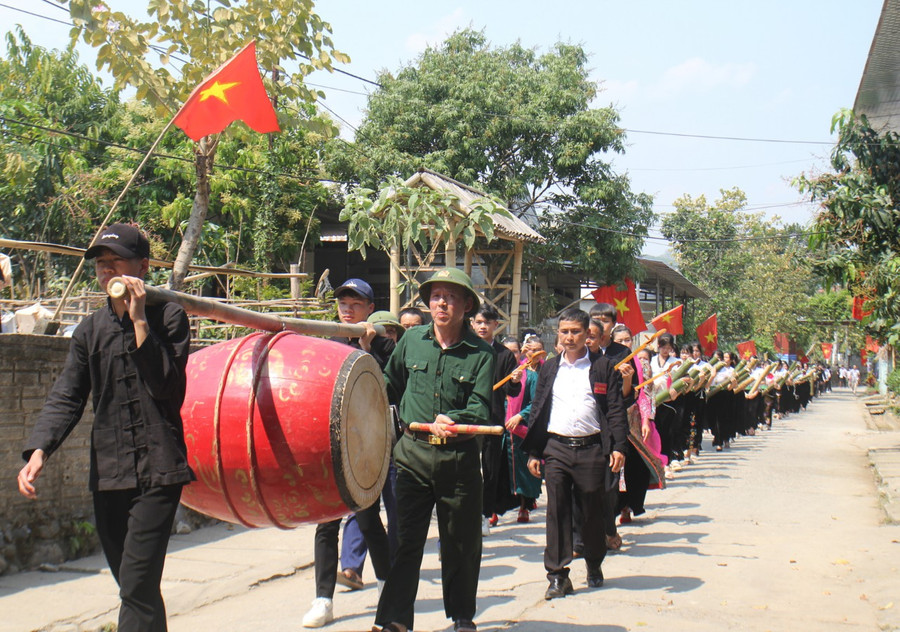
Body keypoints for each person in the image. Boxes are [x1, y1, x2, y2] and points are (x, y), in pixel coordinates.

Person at [18, 223, 194, 632]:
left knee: (135, 586)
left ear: (143, 266)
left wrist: (138, 321)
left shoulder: (169, 316)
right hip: (110, 474)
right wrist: (40, 450)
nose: (107, 270)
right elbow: (67, 395)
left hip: (159, 471)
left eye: (117, 261)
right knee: (138, 590)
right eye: (101, 263)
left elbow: (167, 386)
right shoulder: (88, 332)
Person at [373, 268, 494, 632]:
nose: (442, 303)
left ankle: (462, 616)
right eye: (436, 296)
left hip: (458, 462)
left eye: (452, 296)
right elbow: (388, 385)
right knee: (405, 542)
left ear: (467, 305)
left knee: (461, 543)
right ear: (428, 303)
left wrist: (454, 419)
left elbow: (481, 407)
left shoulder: (482, 354)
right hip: (411, 457)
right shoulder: (410, 342)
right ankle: (395, 619)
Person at [303, 278, 393, 628]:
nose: (348, 307)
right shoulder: (326, 343)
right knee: (326, 525)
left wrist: (368, 349)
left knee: (369, 522)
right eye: (344, 301)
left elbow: (382, 393)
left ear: (370, 308)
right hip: (330, 449)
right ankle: (323, 599)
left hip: (365, 450)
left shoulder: (384, 346)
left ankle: (388, 589)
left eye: (356, 302)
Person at [521, 308, 627, 600]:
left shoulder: (603, 367)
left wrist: (619, 447)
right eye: (564, 332)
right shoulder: (549, 368)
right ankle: (557, 576)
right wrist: (533, 452)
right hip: (556, 449)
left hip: (592, 449)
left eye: (575, 332)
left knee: (591, 511)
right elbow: (538, 409)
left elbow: (615, 410)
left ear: (588, 335)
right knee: (556, 513)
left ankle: (594, 563)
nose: (569, 337)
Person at [471, 306, 521, 533]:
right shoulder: (465, 350)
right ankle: (467, 512)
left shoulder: (505, 355)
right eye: (479, 322)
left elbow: (512, 391)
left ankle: (484, 513)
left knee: (490, 469)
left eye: (488, 323)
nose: (483, 326)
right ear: (473, 323)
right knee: (468, 468)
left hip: (492, 421)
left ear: (495, 326)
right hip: (468, 419)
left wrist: (515, 379)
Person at [503, 337, 543, 523]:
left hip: (521, 429)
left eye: (515, 351)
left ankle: (524, 506)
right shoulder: (498, 373)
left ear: (521, 353)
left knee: (524, 470)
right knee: (501, 470)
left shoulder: (531, 376)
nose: (512, 355)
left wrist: (520, 416)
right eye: (507, 351)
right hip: (502, 430)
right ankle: (494, 510)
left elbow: (536, 402)